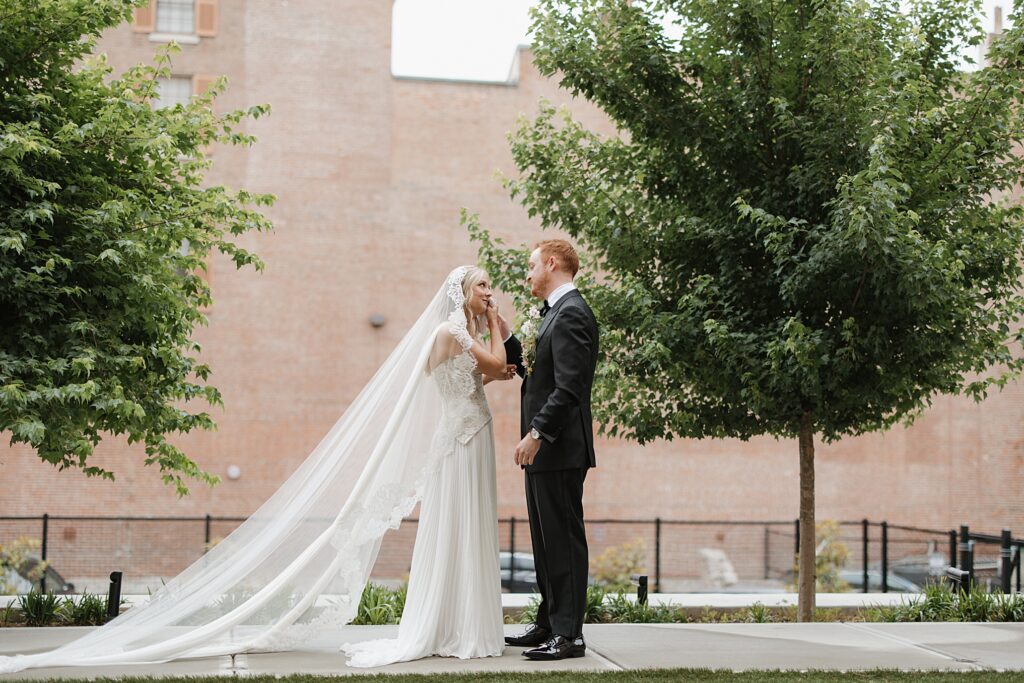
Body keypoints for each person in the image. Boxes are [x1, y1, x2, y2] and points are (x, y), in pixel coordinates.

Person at [0, 265, 518, 674]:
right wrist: (499, 328)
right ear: (460, 293)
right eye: (482, 286)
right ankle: (447, 627)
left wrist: (499, 340)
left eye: (490, 286)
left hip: (469, 436)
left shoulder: (458, 335)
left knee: (467, 529)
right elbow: (497, 366)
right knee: (455, 528)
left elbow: (491, 375)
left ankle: (462, 625)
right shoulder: (450, 329)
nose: (489, 293)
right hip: (459, 441)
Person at [500, 240, 599, 661]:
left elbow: (571, 387)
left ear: (552, 264)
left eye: (531, 266)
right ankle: (549, 622)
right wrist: (503, 332)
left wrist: (537, 433)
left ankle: (570, 636)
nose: (528, 274)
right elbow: (537, 372)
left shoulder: (573, 312)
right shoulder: (555, 313)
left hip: (559, 447)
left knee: (563, 540)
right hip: (545, 452)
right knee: (544, 542)